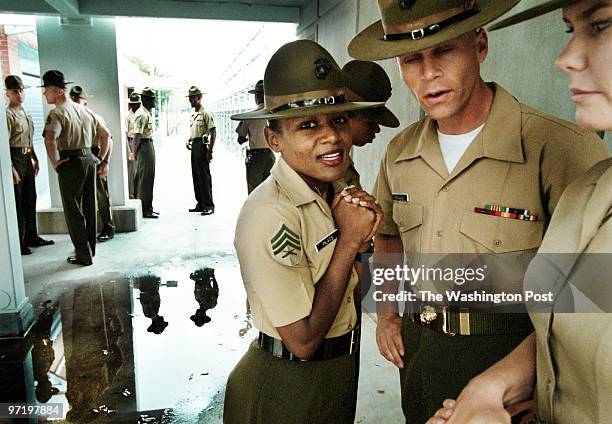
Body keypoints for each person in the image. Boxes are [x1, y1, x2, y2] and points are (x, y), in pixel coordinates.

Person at [347, 1, 610, 422]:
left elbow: (591, 291)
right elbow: (390, 236)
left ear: (480, 45)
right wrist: (388, 315)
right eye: (411, 59)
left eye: (444, 51)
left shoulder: (559, 148)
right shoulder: (400, 152)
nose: (428, 73)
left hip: (508, 355)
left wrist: (543, 381)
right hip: (421, 351)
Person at [427, 1, 612, 423]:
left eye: (600, 25)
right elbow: (569, 319)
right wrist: (493, 388)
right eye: (570, 29)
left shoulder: (565, 150)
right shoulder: (591, 191)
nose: (565, 58)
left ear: (479, 47)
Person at [223, 39, 385, 424]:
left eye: (339, 120)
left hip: (335, 376)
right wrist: (349, 240)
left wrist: (363, 244)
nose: (331, 136)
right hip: (286, 388)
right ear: (274, 139)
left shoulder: (332, 190)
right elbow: (303, 340)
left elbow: (358, 292)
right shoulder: (269, 215)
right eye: (308, 125)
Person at [41, 71, 110, 266]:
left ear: (58, 91)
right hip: (89, 158)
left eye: (46, 90)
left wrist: (55, 162)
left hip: (71, 161)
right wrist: (102, 159)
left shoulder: (57, 112)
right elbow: (106, 135)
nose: (45, 95)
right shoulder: (84, 110)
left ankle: (83, 254)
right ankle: (90, 250)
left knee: (73, 211)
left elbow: (49, 138)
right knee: (89, 207)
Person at [4, 75, 54, 255]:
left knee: (30, 199)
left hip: (26, 158)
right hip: (15, 158)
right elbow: (4, 146)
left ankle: (32, 235)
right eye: (15, 91)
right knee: (18, 203)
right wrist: (10, 169)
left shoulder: (25, 113)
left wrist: (35, 158)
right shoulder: (7, 115)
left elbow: (29, 140)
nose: (19, 94)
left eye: (21, 90)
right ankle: (19, 241)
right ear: (7, 94)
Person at [342, 60, 400, 188]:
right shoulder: (322, 167)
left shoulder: (343, 162)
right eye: (371, 122)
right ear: (346, 115)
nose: (377, 129)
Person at [69, 85, 115, 242]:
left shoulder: (93, 117)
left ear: (85, 102)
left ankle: (108, 228)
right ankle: (86, 232)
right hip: (80, 157)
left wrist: (104, 161)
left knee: (102, 195)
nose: (75, 102)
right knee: (82, 197)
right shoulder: (71, 118)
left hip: (95, 155)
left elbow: (108, 139)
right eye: (73, 99)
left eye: (78, 99)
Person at [235, 80, 276, 194]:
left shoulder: (249, 116)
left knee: (255, 191)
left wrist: (252, 137)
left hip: (255, 156)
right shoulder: (275, 115)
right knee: (270, 190)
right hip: (270, 155)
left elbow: (240, 139)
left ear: (257, 96)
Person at [186, 86, 216, 215]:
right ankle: (200, 203)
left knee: (204, 176)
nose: (191, 100)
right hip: (195, 145)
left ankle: (209, 205)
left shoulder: (206, 114)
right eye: (190, 98)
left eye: (193, 98)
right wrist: (189, 139)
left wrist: (210, 150)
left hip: (203, 146)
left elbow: (213, 132)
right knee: (196, 175)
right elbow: (194, 132)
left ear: (199, 98)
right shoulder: (193, 114)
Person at [133, 87, 158, 219]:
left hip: (148, 144)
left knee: (149, 177)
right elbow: (137, 136)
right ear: (145, 100)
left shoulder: (146, 113)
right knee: (145, 179)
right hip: (144, 146)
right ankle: (144, 210)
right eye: (152, 99)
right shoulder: (142, 115)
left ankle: (149, 207)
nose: (154, 101)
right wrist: (133, 153)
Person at [125, 92, 140, 200]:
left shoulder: (141, 114)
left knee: (139, 170)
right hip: (130, 142)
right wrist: (129, 151)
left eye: (137, 103)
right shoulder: (127, 116)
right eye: (133, 104)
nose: (136, 105)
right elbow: (125, 134)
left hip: (140, 143)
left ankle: (138, 194)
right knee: (132, 171)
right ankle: (131, 194)